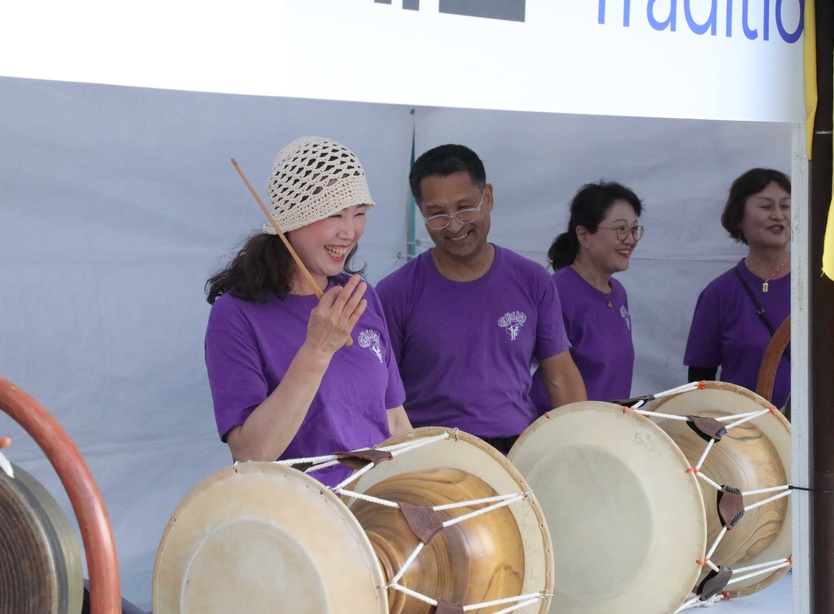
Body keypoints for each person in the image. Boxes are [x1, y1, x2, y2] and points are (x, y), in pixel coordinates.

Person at [204, 136, 411, 487]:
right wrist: (316, 350)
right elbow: (251, 453)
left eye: (359, 213)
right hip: (298, 519)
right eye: (335, 214)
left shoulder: (361, 296)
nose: (350, 231)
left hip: (379, 511)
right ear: (291, 220)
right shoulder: (236, 315)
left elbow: (395, 422)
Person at [376, 144, 586, 454]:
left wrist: (581, 447)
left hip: (515, 453)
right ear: (422, 212)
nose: (455, 225)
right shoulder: (394, 292)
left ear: (487, 197)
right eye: (437, 214)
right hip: (429, 456)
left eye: (465, 207)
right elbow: (378, 395)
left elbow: (560, 378)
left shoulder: (532, 280)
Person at [528, 182, 643, 414]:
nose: (630, 239)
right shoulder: (557, 292)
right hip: (563, 434)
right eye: (621, 229)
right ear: (584, 235)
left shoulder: (617, 292)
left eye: (634, 229)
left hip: (606, 432)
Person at [683, 168, 793, 407]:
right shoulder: (720, 294)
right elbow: (701, 381)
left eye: (785, 206)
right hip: (746, 434)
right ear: (738, 218)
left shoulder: (821, 284)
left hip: (825, 432)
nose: (778, 215)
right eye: (766, 206)